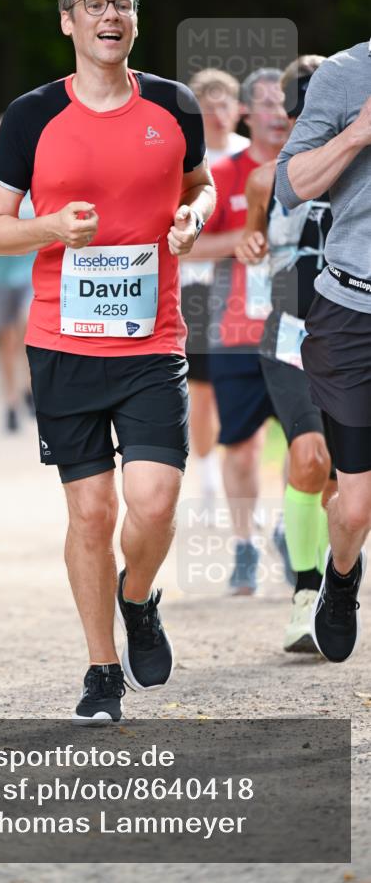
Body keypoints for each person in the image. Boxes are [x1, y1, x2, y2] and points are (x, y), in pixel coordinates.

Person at [0, 0, 214, 723]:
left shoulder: (174, 106)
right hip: (62, 342)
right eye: (92, 5)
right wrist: (49, 228)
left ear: (135, 20)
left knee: (153, 500)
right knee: (89, 516)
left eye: (120, 5)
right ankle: (101, 670)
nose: (107, 17)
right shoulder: (30, 115)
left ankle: (138, 597)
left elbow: (198, 183)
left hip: (150, 340)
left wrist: (193, 217)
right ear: (67, 21)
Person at [275, 40, 371, 663]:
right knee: (356, 505)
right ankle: (338, 578)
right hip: (352, 313)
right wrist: (358, 133)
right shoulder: (344, 74)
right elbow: (290, 184)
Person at [236, 56, 333, 651]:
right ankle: (307, 592)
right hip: (290, 334)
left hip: (354, 338)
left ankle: (332, 556)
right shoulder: (264, 179)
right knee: (310, 458)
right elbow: (255, 235)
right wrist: (251, 242)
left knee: (347, 483)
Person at [184, 68, 291, 595]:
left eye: (285, 102)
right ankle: (246, 545)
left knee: (308, 447)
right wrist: (240, 240)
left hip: (303, 331)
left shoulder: (317, 167)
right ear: (247, 113)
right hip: (237, 329)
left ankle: (294, 532)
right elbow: (185, 245)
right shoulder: (224, 172)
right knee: (242, 448)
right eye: (265, 104)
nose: (276, 112)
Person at [182, 70, 250, 520]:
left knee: (241, 395)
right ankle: (207, 481)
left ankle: (240, 487)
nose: (218, 116)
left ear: (240, 109)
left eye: (225, 106)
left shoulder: (257, 158)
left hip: (248, 293)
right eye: (207, 108)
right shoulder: (189, 163)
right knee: (203, 395)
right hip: (198, 288)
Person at [0, 115, 36, 432]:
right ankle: (11, 400)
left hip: (32, 274)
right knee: (7, 340)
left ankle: (31, 389)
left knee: (29, 327)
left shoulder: (40, 179)